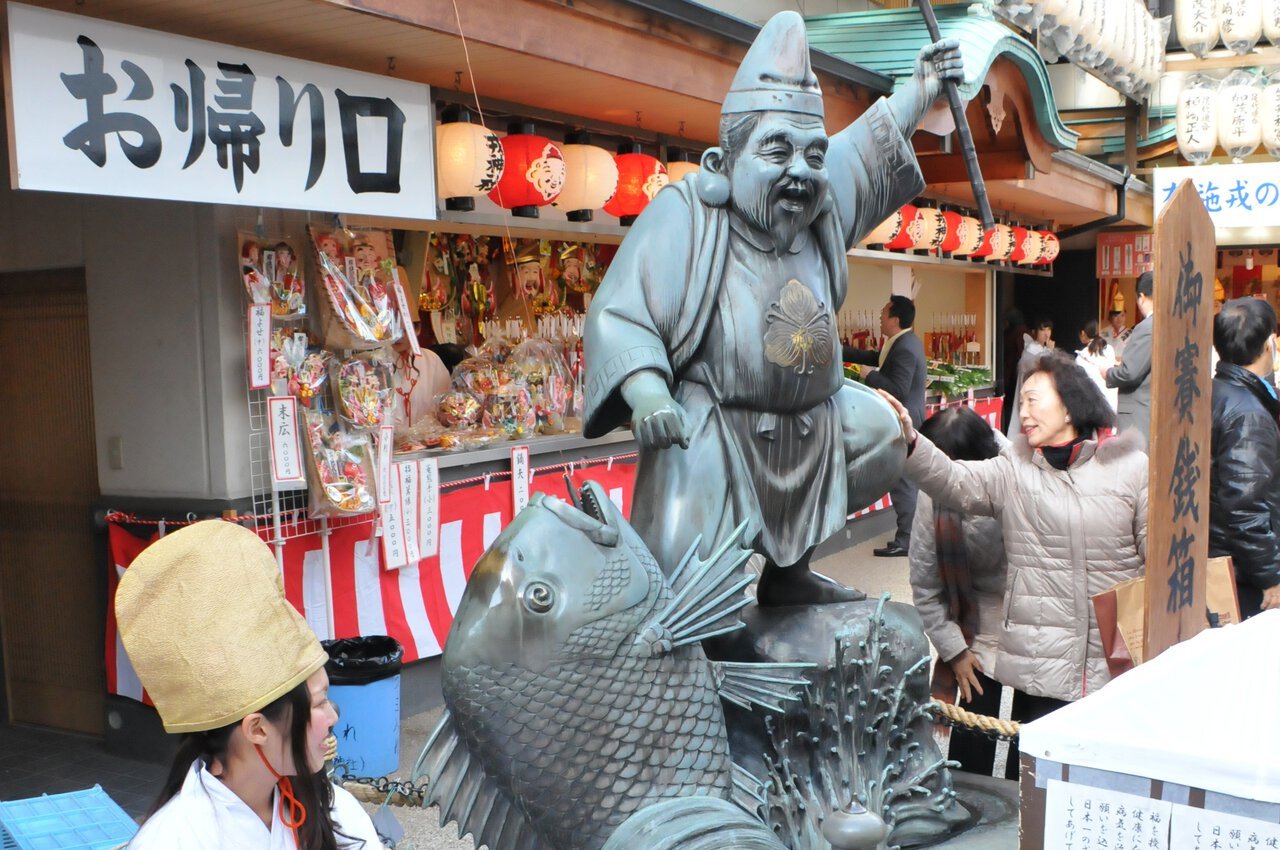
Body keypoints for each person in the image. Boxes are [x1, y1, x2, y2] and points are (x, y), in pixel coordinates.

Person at [583, 11, 964, 605]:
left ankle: (789, 579)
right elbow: (621, 312)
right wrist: (650, 394)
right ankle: (702, 628)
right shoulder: (688, 214)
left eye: (813, 156)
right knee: (687, 589)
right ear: (722, 163)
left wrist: (919, 90)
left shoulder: (816, 203)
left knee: (884, 435)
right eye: (777, 150)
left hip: (814, 421)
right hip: (715, 428)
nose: (800, 170)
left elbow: (862, 151)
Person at [879, 350, 1147, 717]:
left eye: (1033, 401)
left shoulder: (1132, 467)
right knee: (1030, 768)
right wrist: (911, 441)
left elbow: (1157, 559)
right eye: (1021, 403)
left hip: (1115, 664)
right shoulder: (1014, 470)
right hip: (1041, 665)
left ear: (1070, 407)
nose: (1022, 414)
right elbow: (954, 480)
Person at [115, 521, 382, 849]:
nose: (333, 717)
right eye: (319, 702)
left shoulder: (335, 811)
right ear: (257, 728)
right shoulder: (173, 839)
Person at [908, 406, 1014, 777]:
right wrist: (954, 650)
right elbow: (925, 584)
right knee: (973, 733)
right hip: (973, 621)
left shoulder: (1017, 476)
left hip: (1031, 617)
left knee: (1030, 743)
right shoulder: (932, 494)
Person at [1209, 298, 1280, 620]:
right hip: (1240, 573)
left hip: (1216, 560)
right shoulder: (1248, 414)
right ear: (1269, 344)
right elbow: (1245, 505)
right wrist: (1270, 576)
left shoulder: (1214, 391)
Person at [845, 295, 927, 557]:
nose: (880, 316)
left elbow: (899, 389)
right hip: (903, 421)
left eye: (884, 313)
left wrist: (871, 376)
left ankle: (907, 540)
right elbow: (872, 355)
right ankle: (908, 537)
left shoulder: (905, 347)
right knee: (903, 481)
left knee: (902, 482)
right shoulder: (901, 342)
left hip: (903, 422)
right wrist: (837, 348)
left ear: (895, 318)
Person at [1104, 270, 1154, 444]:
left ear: (1141, 296)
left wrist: (1107, 373)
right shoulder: (1170, 324)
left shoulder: (1145, 327)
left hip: (1140, 410)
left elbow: (1129, 373)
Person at [392, 324, 452, 430]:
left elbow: (445, 403)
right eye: (393, 329)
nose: (398, 336)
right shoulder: (376, 363)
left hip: (427, 439)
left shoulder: (431, 360)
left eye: (404, 331)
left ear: (418, 329)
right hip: (388, 441)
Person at [1004, 318, 1053, 438]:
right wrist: (1049, 352)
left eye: (1049, 329)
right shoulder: (1029, 350)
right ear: (1034, 332)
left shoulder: (1046, 350)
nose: (1046, 333)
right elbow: (1033, 364)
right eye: (1042, 330)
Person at [1075, 319, 1118, 411]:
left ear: (1083, 333)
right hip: (1112, 402)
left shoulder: (1081, 357)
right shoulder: (1109, 349)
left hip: (1094, 407)